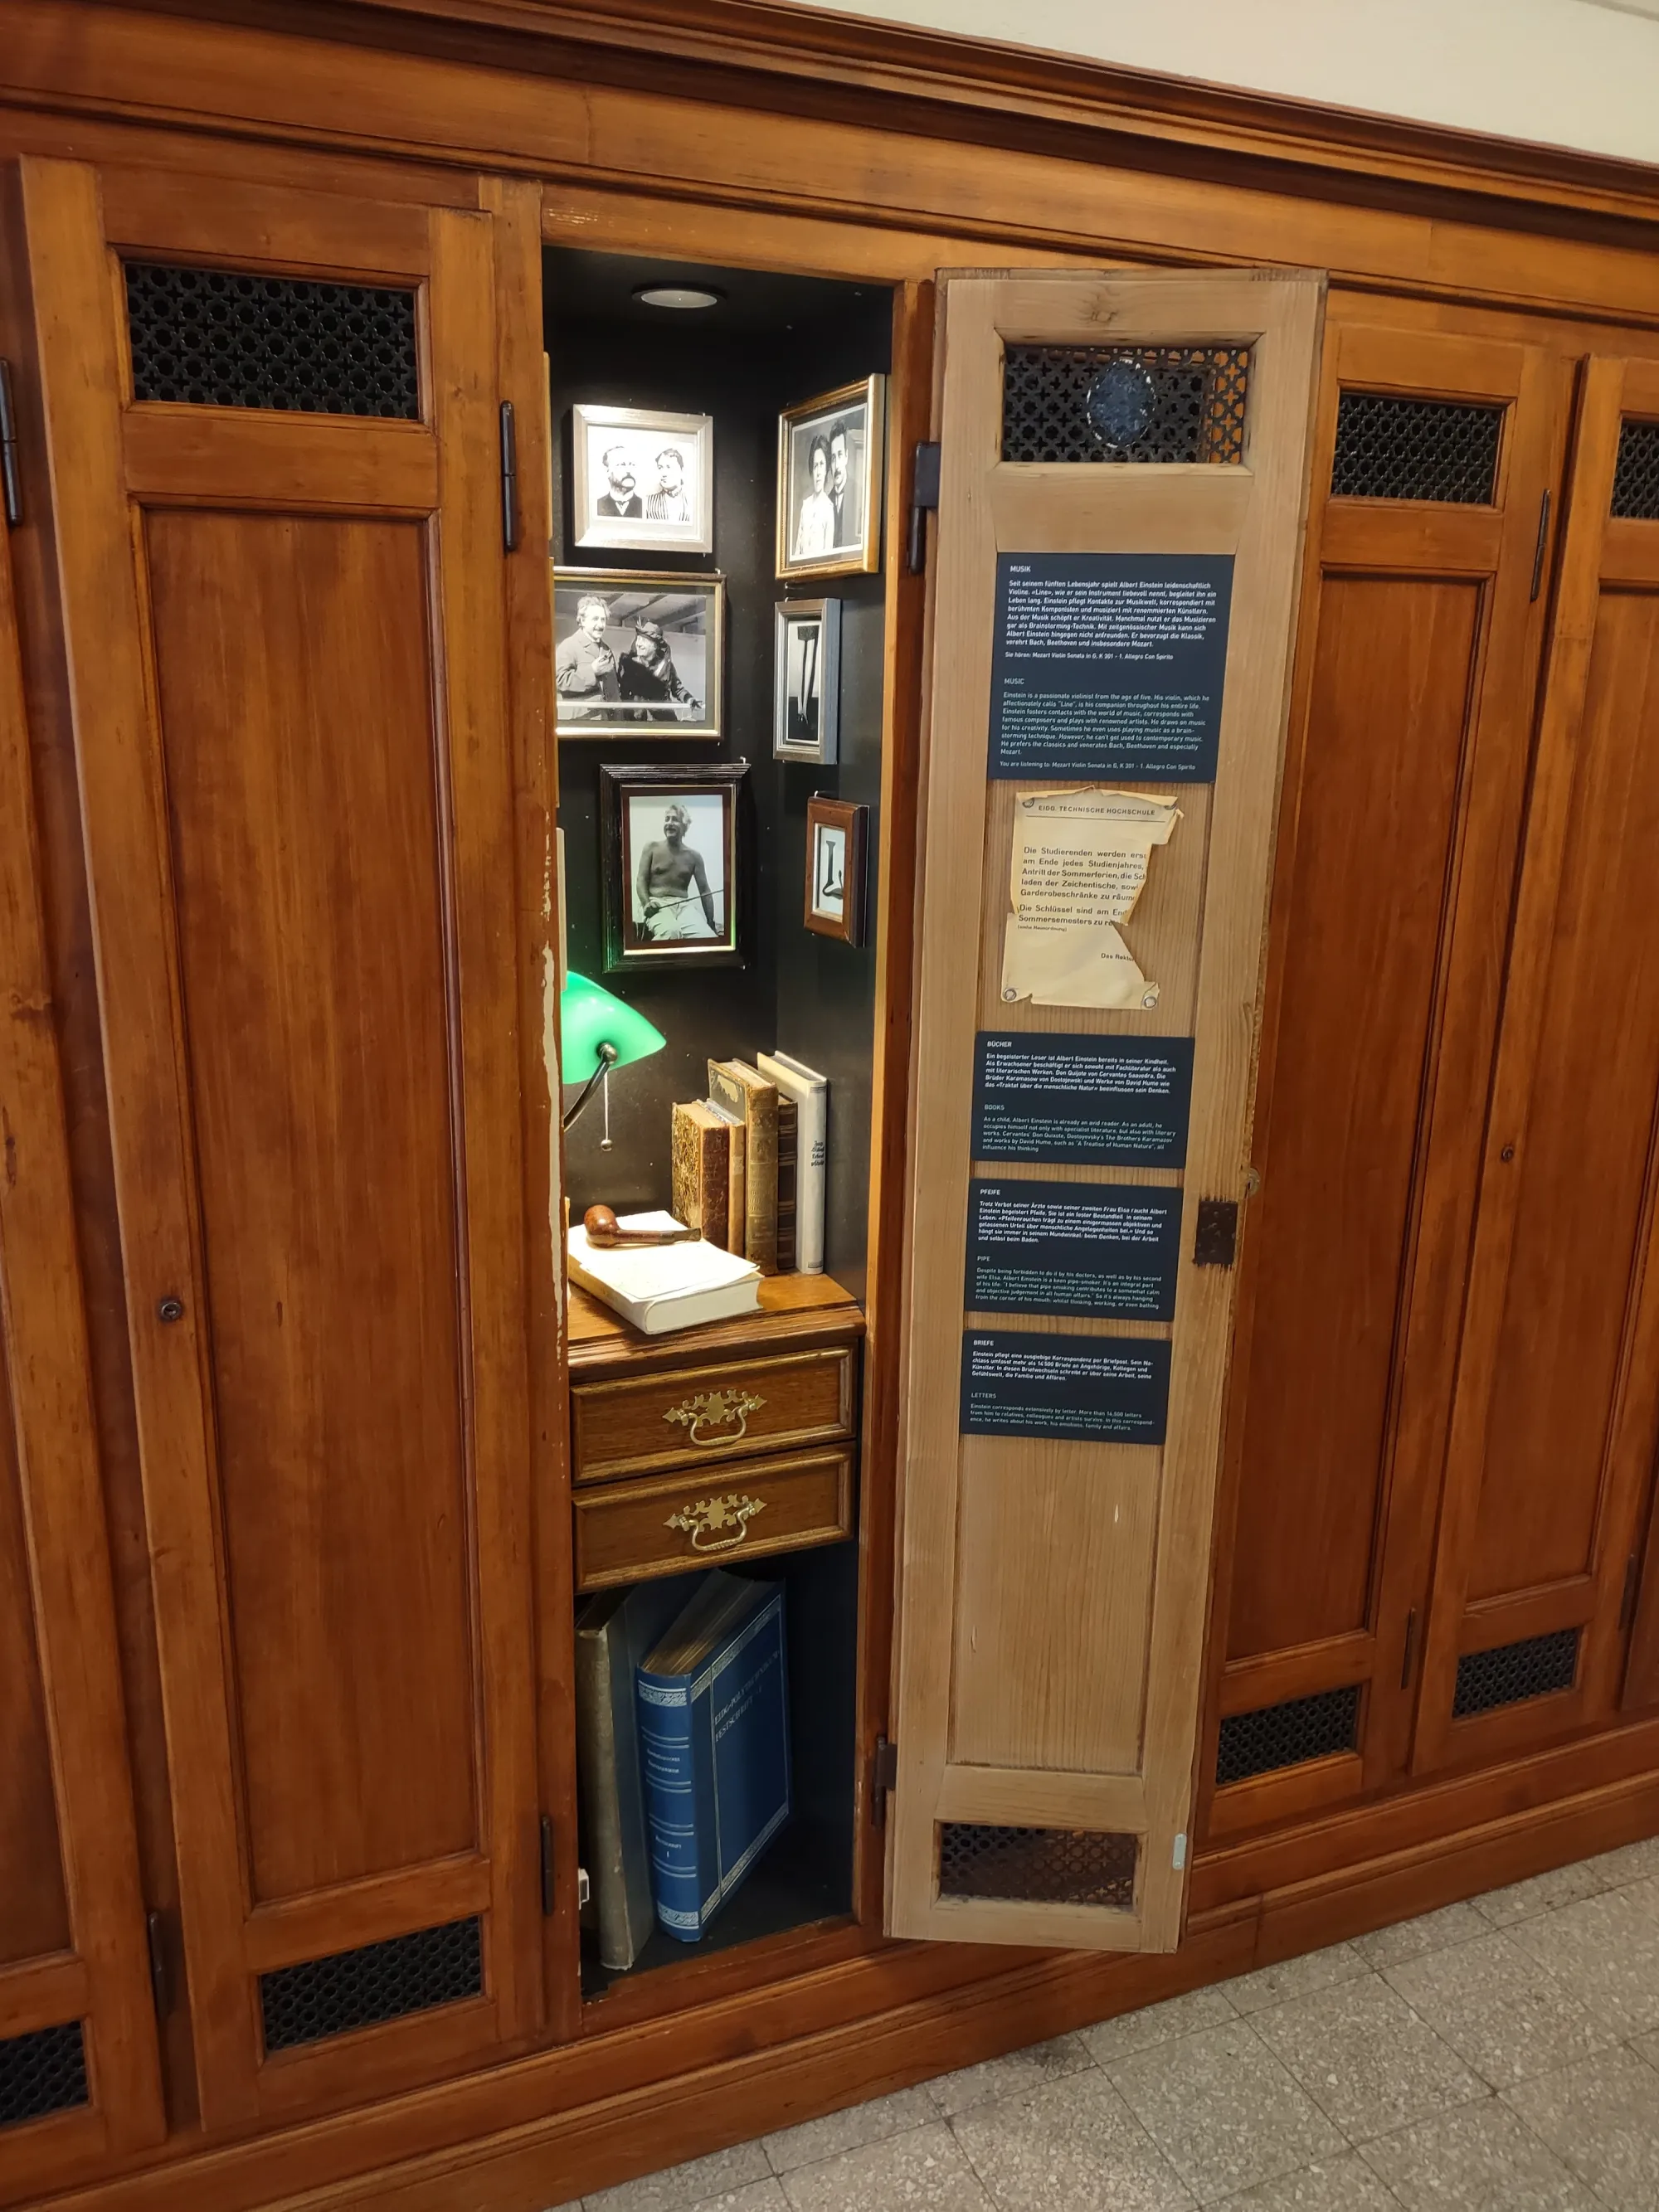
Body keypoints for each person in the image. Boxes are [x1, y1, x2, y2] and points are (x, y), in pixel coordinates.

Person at [635, 802, 718, 941]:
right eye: (667, 819)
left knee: (708, 938)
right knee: (671, 932)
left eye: (675, 819)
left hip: (684, 907)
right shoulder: (651, 848)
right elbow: (641, 880)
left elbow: (705, 891)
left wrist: (711, 922)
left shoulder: (694, 856)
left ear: (685, 825)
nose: (669, 823)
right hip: (657, 904)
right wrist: (646, 904)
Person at [615, 618, 703, 722]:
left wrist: (689, 699)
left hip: (663, 720)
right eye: (638, 639)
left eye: (643, 641)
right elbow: (620, 692)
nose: (638, 644)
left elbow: (677, 689)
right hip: (636, 721)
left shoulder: (665, 666)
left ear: (655, 646)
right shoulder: (628, 665)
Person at [554, 592, 616, 716]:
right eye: (595, 619)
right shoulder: (568, 646)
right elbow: (559, 682)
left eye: (603, 619)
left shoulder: (606, 650)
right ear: (582, 620)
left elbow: (614, 693)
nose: (600, 625)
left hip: (607, 724)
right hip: (582, 723)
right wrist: (592, 671)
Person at [793, 434, 835, 560]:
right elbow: (796, 552)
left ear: (827, 468)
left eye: (822, 464)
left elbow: (828, 555)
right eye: (815, 465)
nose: (818, 472)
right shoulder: (805, 506)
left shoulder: (828, 509)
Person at [828, 417, 861, 549]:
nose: (836, 466)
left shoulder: (859, 494)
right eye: (833, 458)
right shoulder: (826, 501)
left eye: (840, 455)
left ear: (846, 456)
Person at [644, 445, 693, 523]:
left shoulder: (692, 502)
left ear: (681, 470)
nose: (663, 473)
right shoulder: (647, 502)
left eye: (669, 467)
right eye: (660, 468)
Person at [595, 443, 642, 518]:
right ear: (607, 471)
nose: (629, 470)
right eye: (622, 465)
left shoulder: (644, 506)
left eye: (632, 464)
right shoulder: (596, 506)